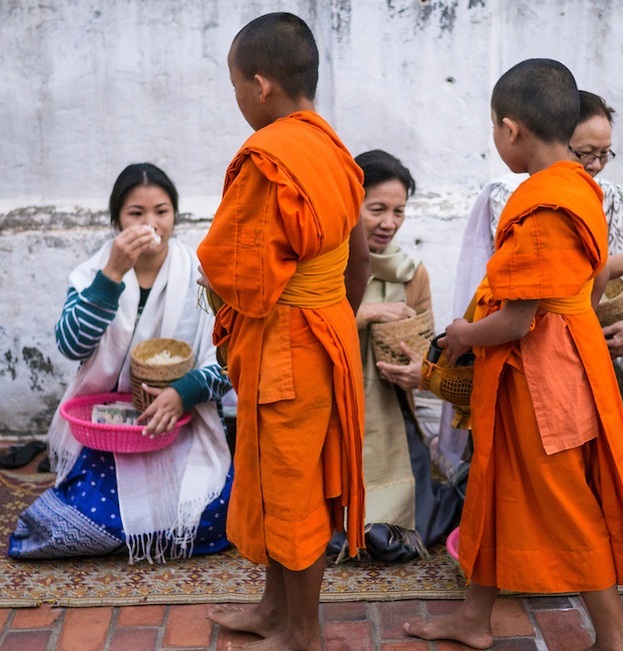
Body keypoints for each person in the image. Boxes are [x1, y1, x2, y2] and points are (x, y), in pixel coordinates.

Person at [403, 58, 623, 651]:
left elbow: (517, 319)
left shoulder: (541, 203)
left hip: (543, 378)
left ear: (511, 129)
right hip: (563, 360)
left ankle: (615, 638)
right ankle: (474, 619)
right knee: (494, 488)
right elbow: (589, 288)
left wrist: (462, 334)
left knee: (566, 505)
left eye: (494, 129)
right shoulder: (582, 188)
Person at [196, 13, 367, 651]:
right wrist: (337, 315)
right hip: (324, 329)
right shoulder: (333, 149)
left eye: (237, 85)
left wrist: (225, 308)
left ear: (262, 85)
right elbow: (358, 258)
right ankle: (274, 610)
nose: (237, 98)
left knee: (294, 489)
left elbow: (233, 269)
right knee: (278, 474)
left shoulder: (269, 160)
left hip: (291, 341)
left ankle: (303, 633)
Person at [435, 89, 623, 484]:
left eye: (604, 154)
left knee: (545, 478)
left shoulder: (559, 198)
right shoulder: (550, 194)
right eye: (586, 152)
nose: (594, 164)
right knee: (561, 472)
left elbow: (529, 308)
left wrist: (465, 335)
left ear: (510, 130)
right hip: (566, 341)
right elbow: (580, 276)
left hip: (548, 351)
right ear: (561, 139)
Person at [8, 163, 233, 563]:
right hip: (108, 428)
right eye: (136, 213)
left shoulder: (201, 275)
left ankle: (139, 531)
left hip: (179, 423)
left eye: (161, 211)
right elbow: (71, 344)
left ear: (175, 217)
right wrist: (113, 273)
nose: (151, 223)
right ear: (117, 221)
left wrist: (183, 393)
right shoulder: (95, 272)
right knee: (77, 517)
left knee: (218, 508)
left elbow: (232, 360)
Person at [349, 149, 464, 561]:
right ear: (349, 203)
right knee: (336, 532)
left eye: (399, 211)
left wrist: (420, 373)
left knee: (397, 536)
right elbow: (302, 334)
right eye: (376, 209)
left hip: (392, 416)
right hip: (334, 413)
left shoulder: (413, 273)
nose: (389, 223)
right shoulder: (325, 265)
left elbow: (428, 351)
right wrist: (368, 314)